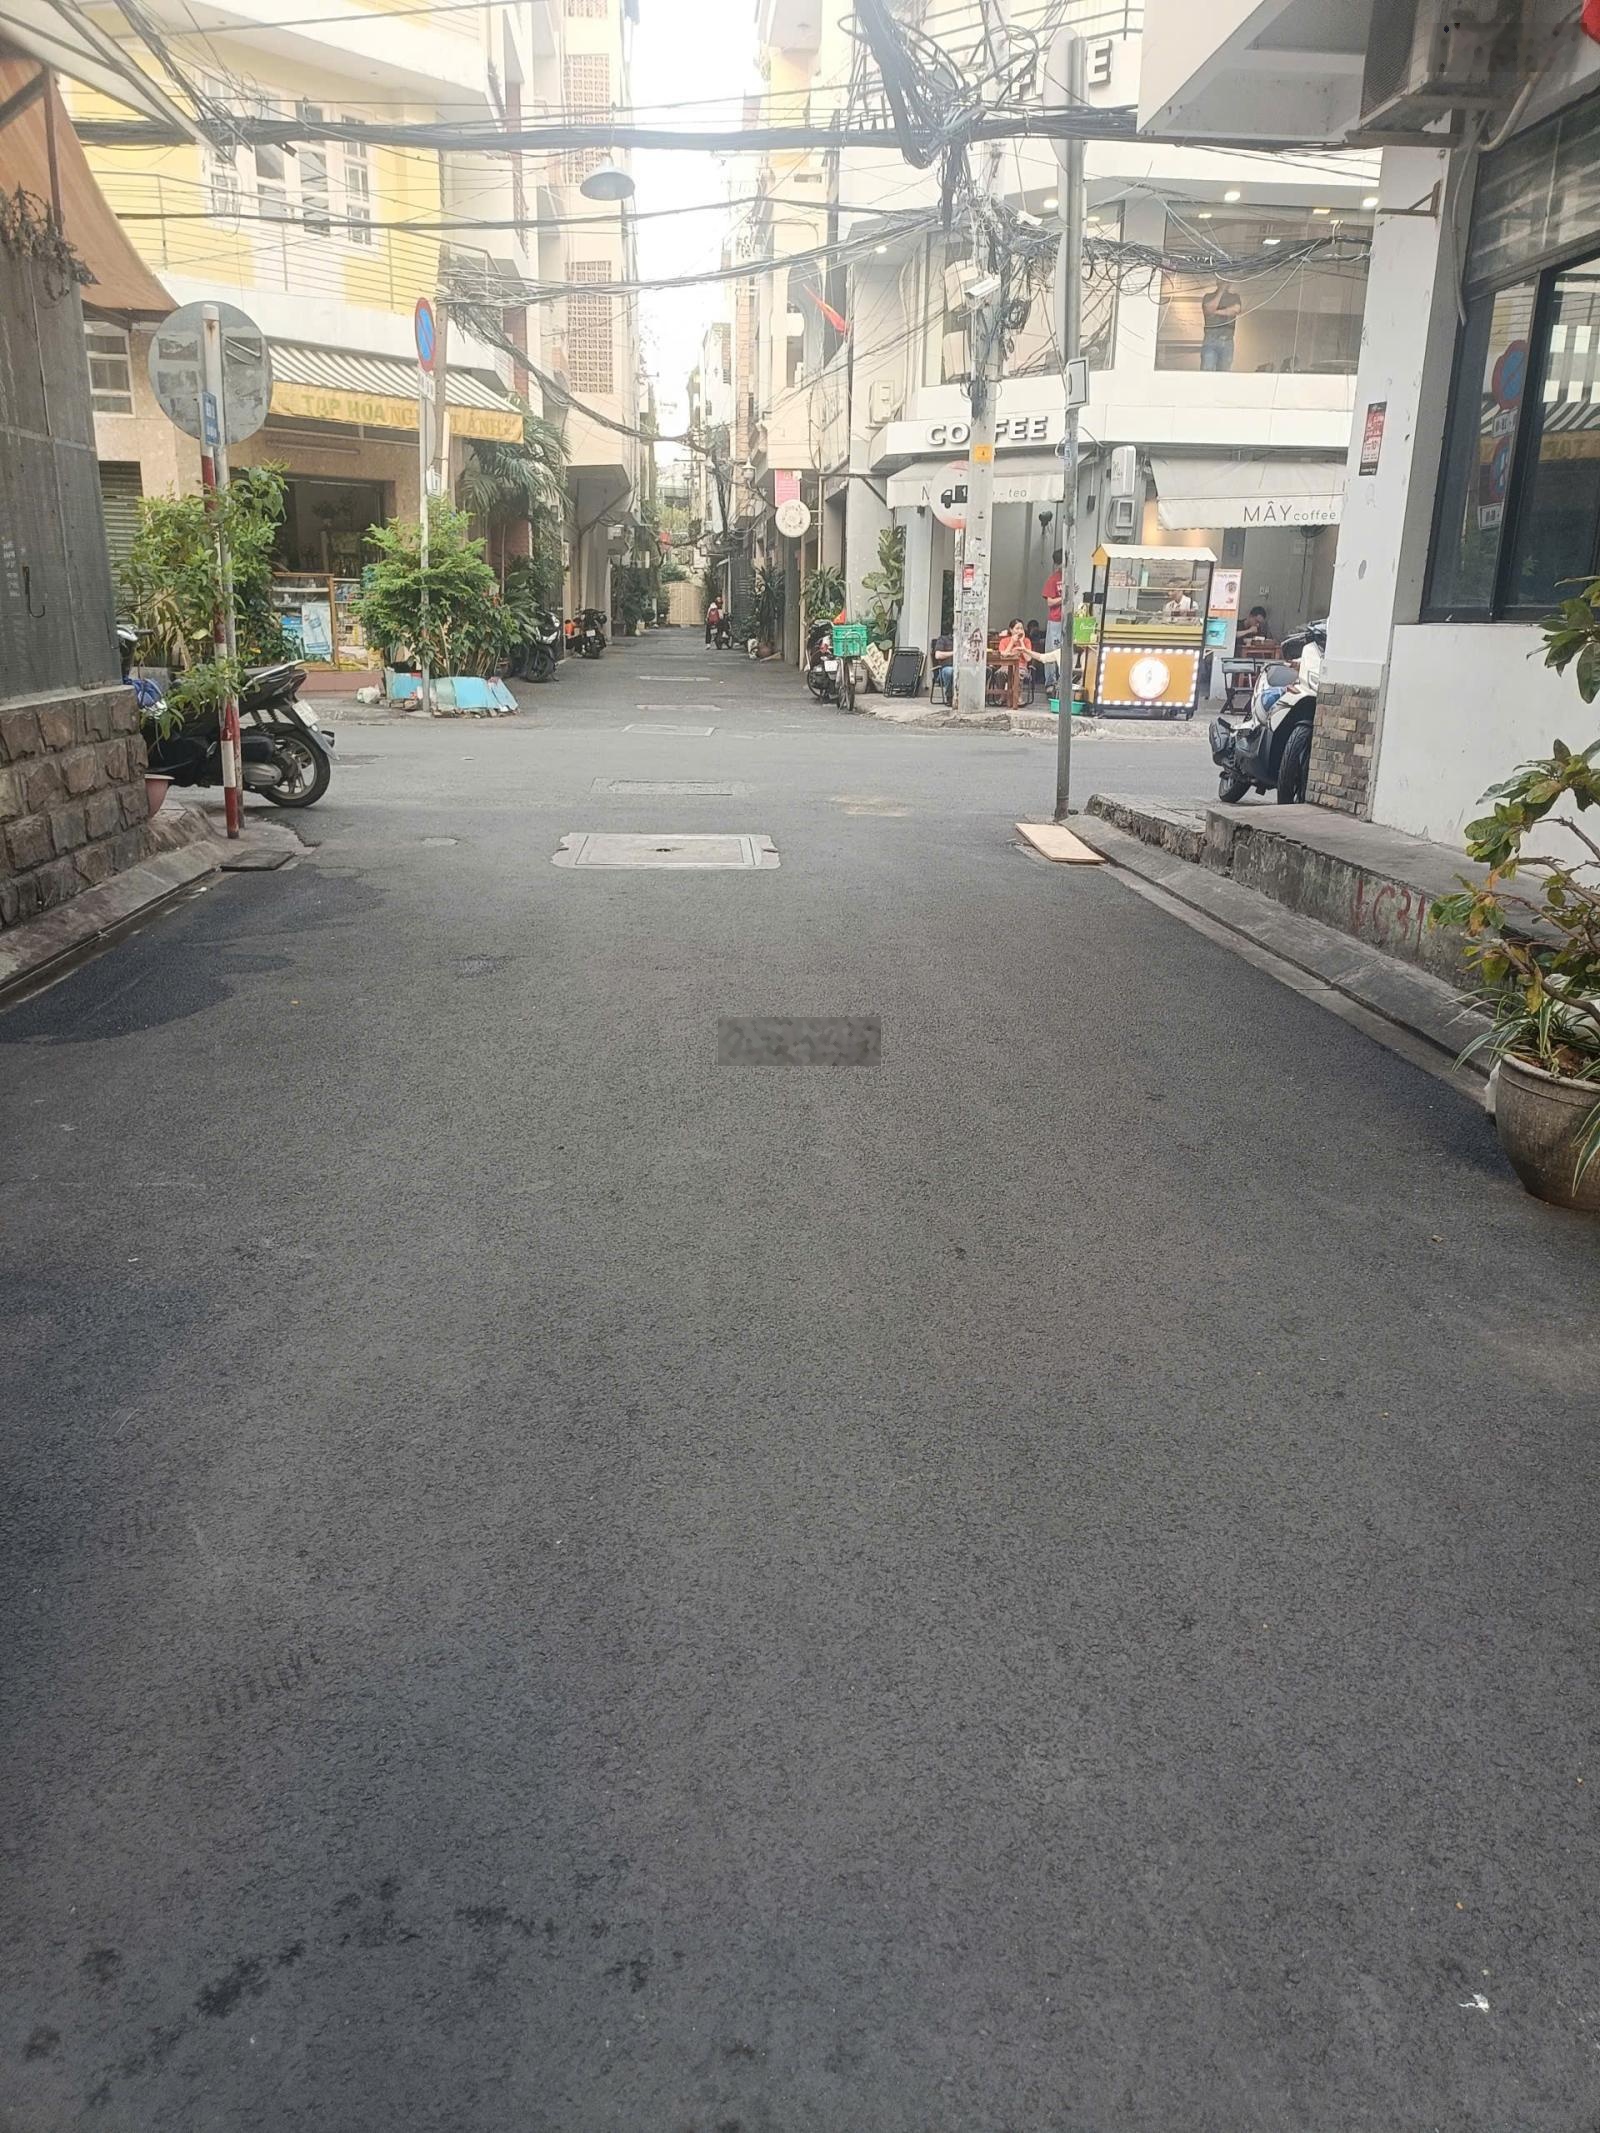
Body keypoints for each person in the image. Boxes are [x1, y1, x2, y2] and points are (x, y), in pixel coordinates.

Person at [1200, 279, 1243, 372]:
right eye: (1223, 281)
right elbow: (1208, 309)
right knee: (1207, 370)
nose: (1226, 284)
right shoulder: (1208, 296)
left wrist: (1215, 312)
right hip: (1210, 339)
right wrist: (1220, 292)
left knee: (1224, 372)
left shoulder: (1234, 297)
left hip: (1227, 340)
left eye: (1227, 282)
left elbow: (1235, 310)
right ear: (1217, 282)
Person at [1042, 548, 1064, 651]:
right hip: (1056, 619)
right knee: (1055, 648)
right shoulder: (1053, 579)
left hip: (1066, 618)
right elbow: (1050, 602)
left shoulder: (1068, 578)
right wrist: (1064, 598)